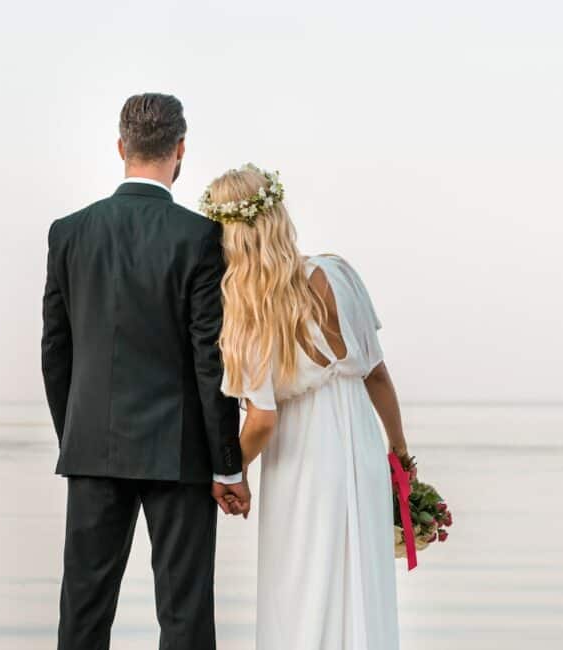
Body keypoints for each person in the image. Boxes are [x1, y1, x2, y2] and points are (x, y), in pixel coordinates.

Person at [42, 93, 250, 650]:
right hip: (178, 452)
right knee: (184, 616)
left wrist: (79, 436)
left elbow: (54, 352)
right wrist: (227, 465)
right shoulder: (200, 237)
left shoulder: (68, 233)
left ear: (120, 147)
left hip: (91, 448)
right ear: (180, 150)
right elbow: (212, 360)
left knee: (83, 614)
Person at [202, 163, 412, 649]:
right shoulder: (337, 272)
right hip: (357, 436)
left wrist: (229, 472)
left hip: (302, 456)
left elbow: (261, 419)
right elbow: (378, 374)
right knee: (358, 579)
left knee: (301, 583)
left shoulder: (250, 308)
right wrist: (399, 454)